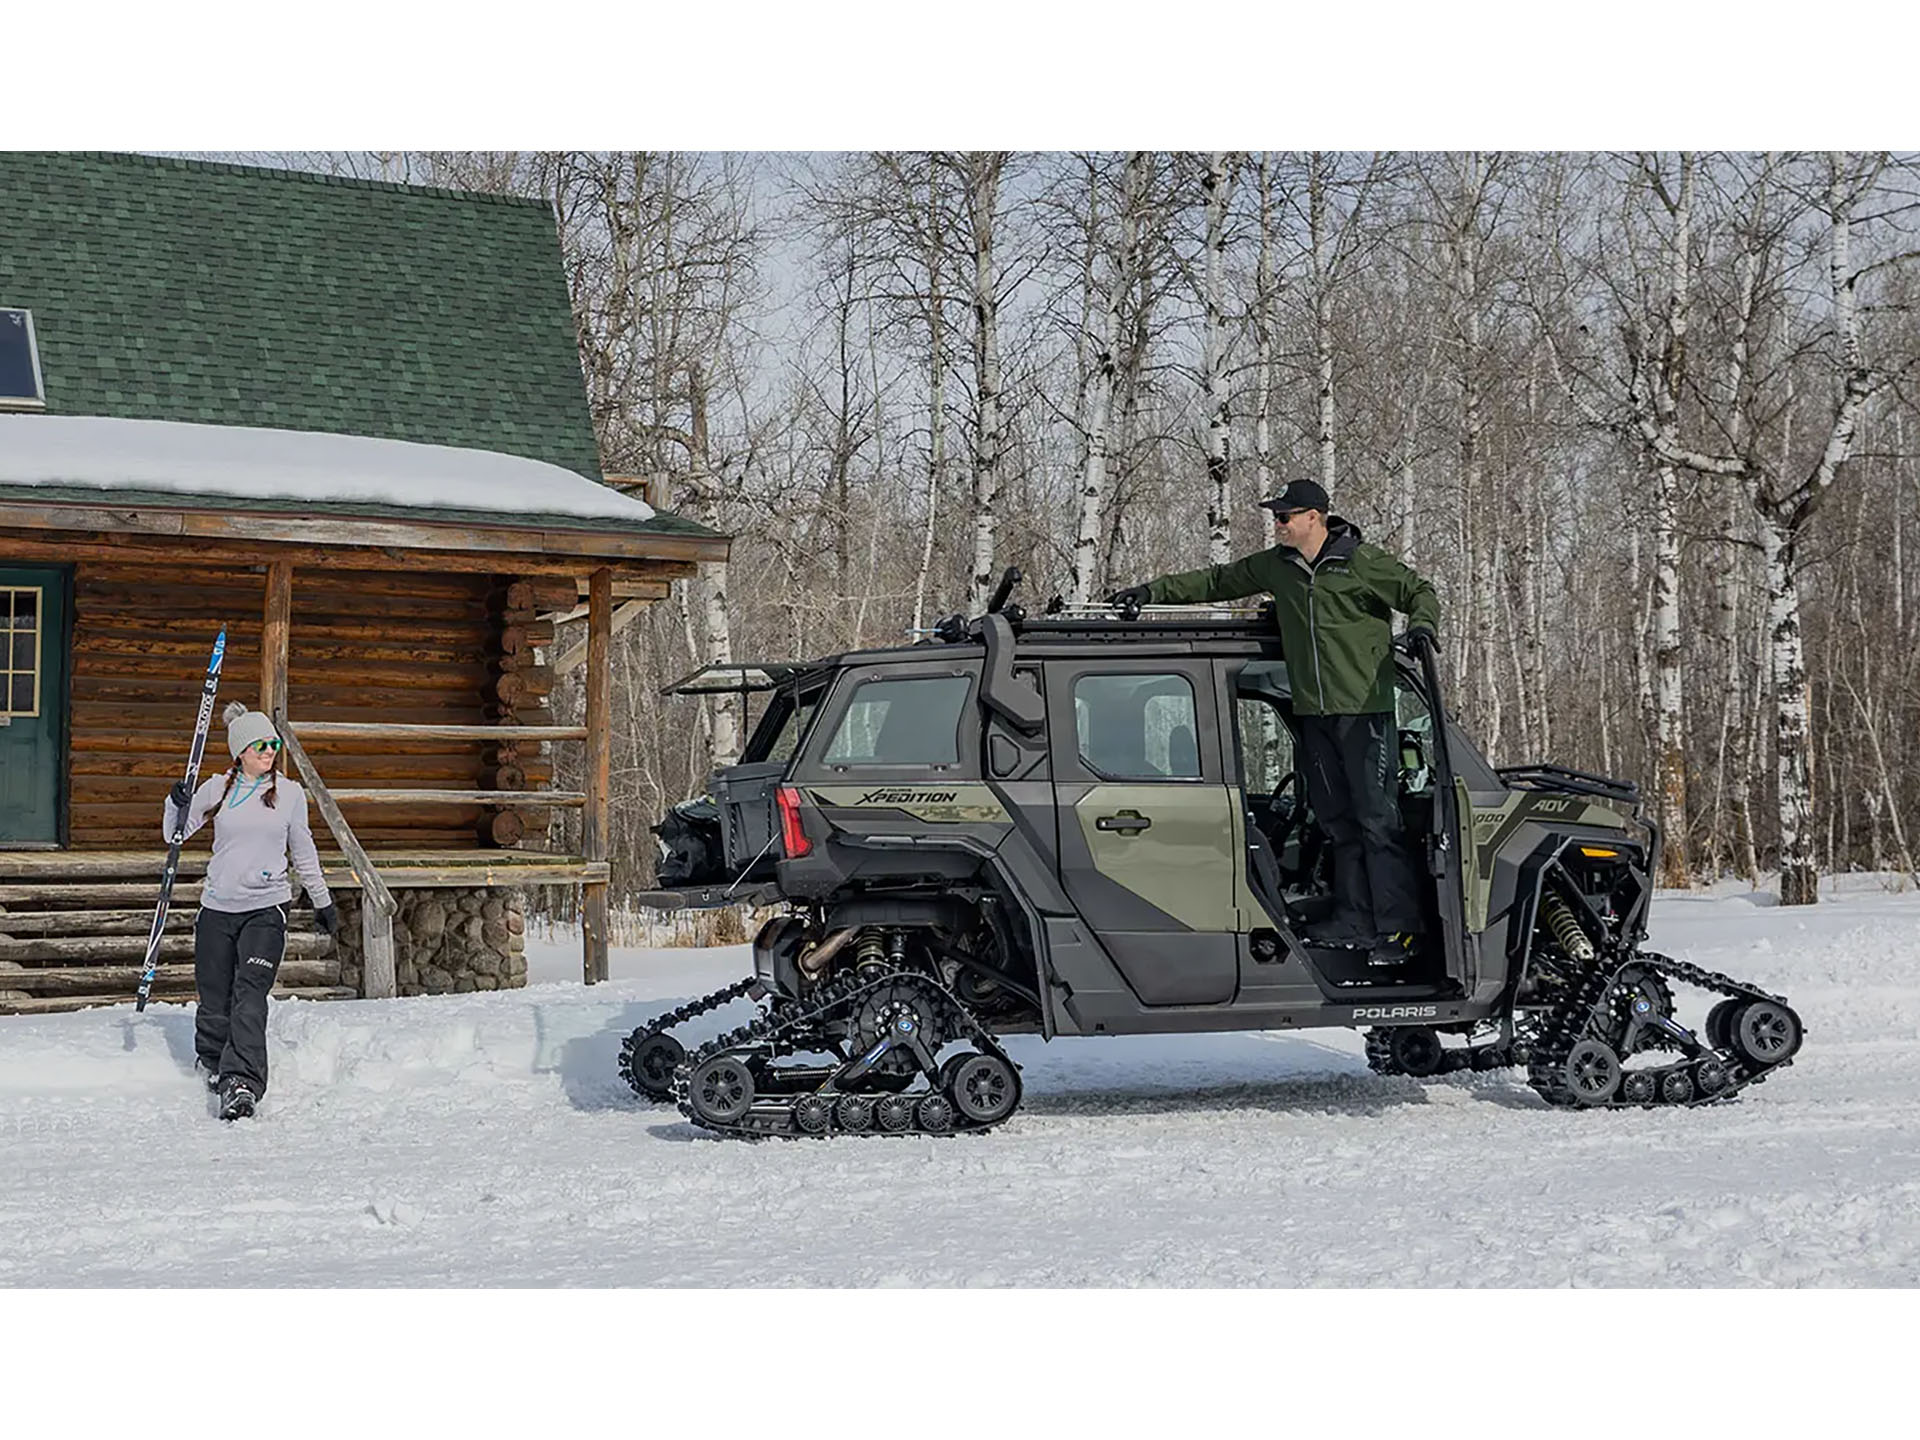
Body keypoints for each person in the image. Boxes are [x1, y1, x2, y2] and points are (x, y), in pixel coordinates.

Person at [1110, 478, 1439, 967]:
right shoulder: (1278, 567)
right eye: (1276, 516)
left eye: (1285, 516)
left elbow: (1418, 590)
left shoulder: (1361, 563)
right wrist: (1149, 592)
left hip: (1365, 712)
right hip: (1312, 713)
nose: (1278, 524)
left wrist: (1421, 626)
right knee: (1336, 822)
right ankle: (1354, 917)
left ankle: (1398, 929)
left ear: (1314, 517)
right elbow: (1217, 581)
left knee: (1377, 821)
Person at [163, 701, 338, 1119]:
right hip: (217, 908)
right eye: (261, 744)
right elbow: (175, 834)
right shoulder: (217, 787)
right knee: (214, 995)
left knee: (249, 993)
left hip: (266, 907)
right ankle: (212, 1059)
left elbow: (304, 849)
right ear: (240, 750)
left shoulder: (291, 794)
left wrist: (321, 898)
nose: (270, 750)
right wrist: (176, 803)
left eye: (274, 743)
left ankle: (242, 1082)